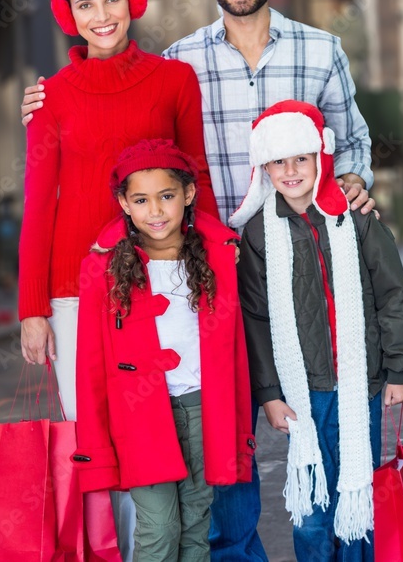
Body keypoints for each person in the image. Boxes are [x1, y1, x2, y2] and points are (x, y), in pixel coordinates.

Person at [22, 0, 378, 560]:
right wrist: (34, 308)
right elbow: (61, 198)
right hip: (146, 273)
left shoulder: (306, 52)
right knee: (164, 427)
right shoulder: (163, 64)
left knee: (285, 415)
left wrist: (350, 181)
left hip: (263, 260)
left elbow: (338, 143)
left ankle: (326, 544)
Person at [233, 101, 403, 561]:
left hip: (362, 384)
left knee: (358, 493)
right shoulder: (258, 234)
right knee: (313, 504)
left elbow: (393, 294)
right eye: (279, 161)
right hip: (302, 393)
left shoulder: (355, 218)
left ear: (321, 157)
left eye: (301, 157)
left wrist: (399, 370)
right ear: (265, 168)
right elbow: (255, 319)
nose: (291, 170)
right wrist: (269, 393)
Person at [73, 139, 255, 561]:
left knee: (196, 522)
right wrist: (96, 442)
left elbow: (237, 353)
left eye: (167, 196)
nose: (155, 211)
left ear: (188, 195)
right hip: (139, 416)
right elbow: (92, 366)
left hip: (201, 409)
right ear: (124, 203)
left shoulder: (217, 259)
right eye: (141, 200)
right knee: (159, 527)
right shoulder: (102, 270)